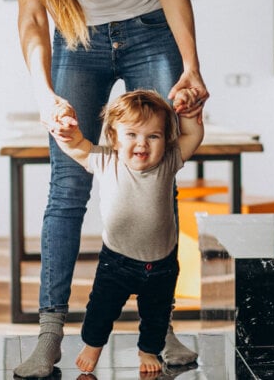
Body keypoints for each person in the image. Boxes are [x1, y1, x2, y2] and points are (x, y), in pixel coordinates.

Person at [2, 0, 209, 376]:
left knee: (160, 169)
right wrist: (44, 93)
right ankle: (49, 336)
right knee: (67, 188)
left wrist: (190, 63)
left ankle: (159, 326)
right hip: (77, 38)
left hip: (150, 30)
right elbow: (31, 14)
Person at [52, 89, 204, 373]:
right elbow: (76, 146)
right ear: (113, 137)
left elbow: (193, 136)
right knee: (101, 310)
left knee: (157, 316)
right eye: (131, 135)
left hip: (162, 264)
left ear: (166, 139)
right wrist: (66, 133)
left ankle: (148, 350)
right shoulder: (106, 160)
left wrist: (191, 114)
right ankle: (93, 345)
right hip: (117, 262)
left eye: (153, 136)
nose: (142, 144)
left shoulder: (168, 161)